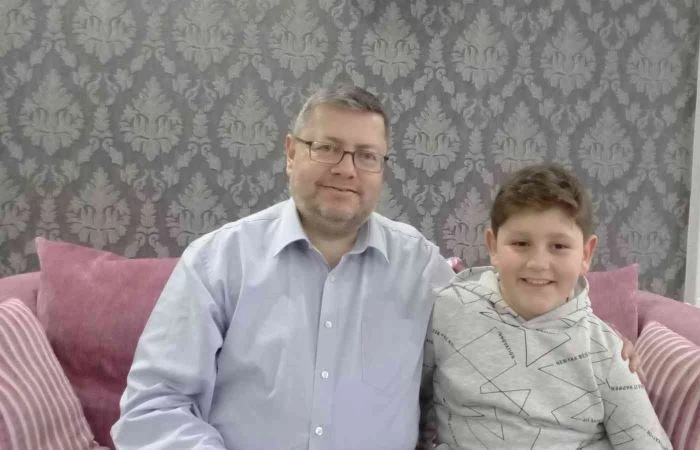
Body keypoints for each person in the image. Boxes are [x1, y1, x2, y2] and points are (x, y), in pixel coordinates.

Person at [112, 84, 638, 450]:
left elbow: (505, 309)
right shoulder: (218, 262)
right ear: (291, 153)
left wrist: (596, 335)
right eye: (328, 148)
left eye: (366, 155)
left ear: (382, 168)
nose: (347, 169)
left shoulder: (421, 267)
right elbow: (154, 406)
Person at [419, 164, 671, 449]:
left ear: (586, 254)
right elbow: (406, 399)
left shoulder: (607, 352)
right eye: (521, 243)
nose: (538, 263)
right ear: (493, 246)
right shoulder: (449, 311)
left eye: (559, 246)